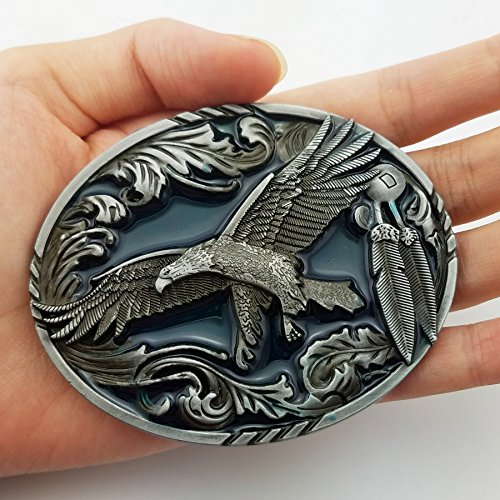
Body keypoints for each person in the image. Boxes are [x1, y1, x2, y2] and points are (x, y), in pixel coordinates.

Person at [0, 18, 498, 477]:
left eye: (176, 272)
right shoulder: (177, 271)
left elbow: (297, 200)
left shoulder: (259, 217)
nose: (170, 277)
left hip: (287, 275)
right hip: (250, 292)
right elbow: (175, 276)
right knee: (180, 288)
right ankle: (272, 327)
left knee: (278, 215)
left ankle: (288, 317)